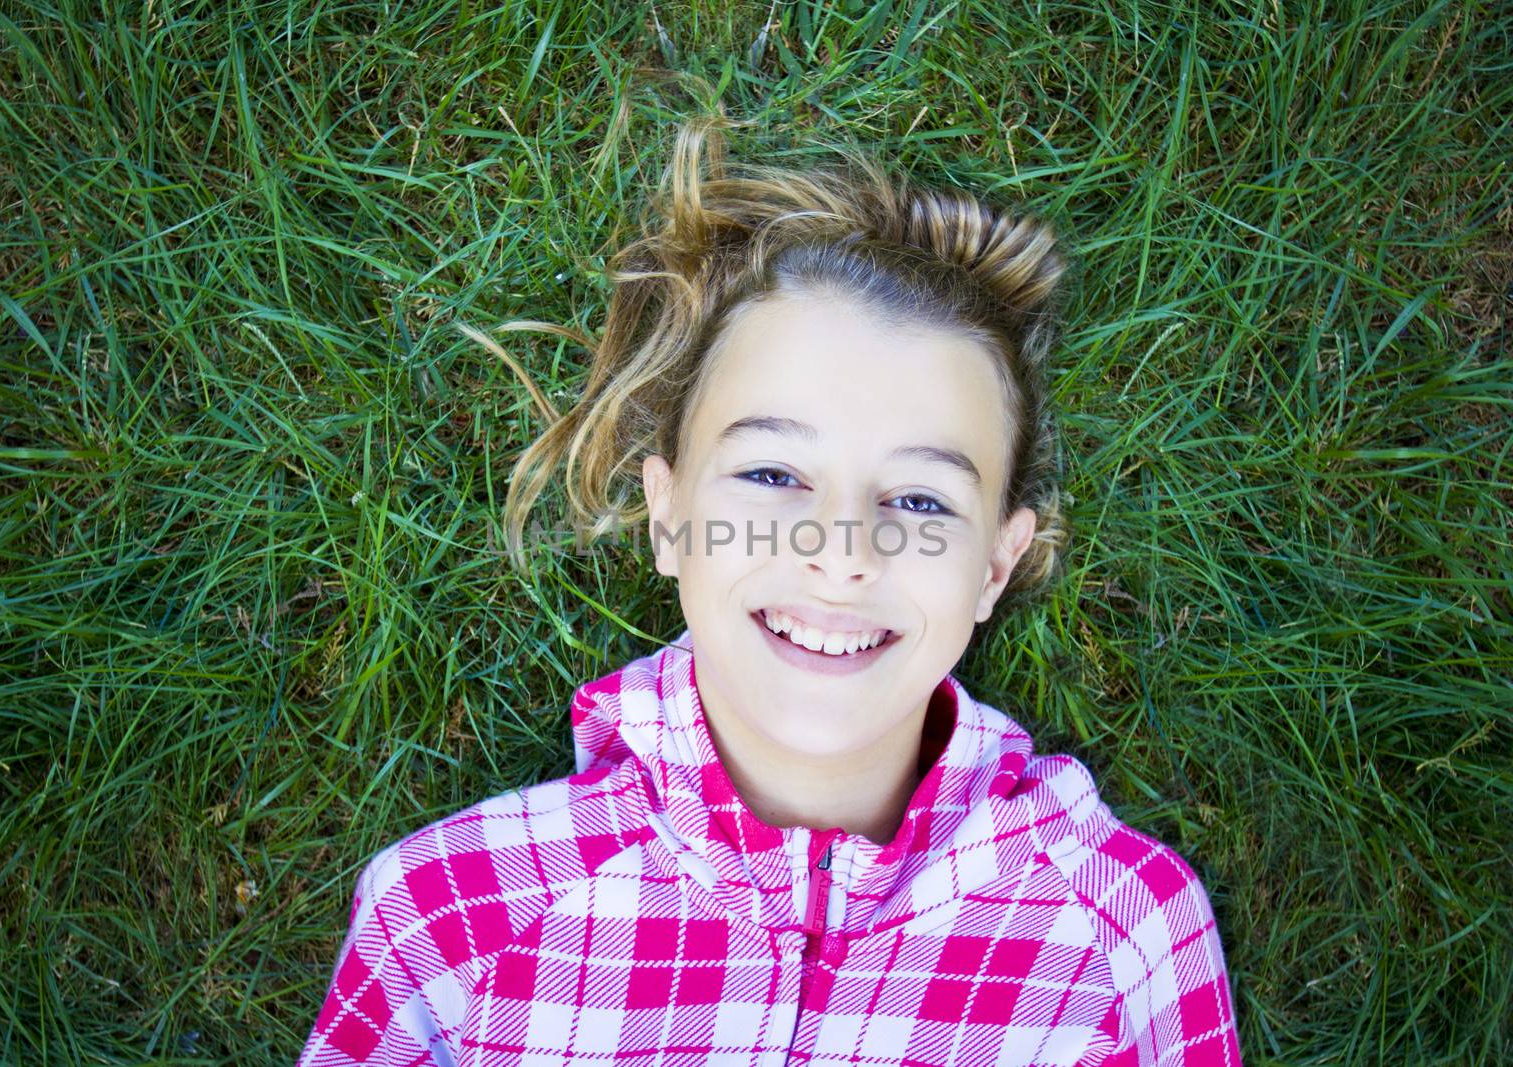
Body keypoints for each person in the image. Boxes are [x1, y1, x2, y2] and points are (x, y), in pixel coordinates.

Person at [296, 110, 1243, 1066]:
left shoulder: (1127, 934)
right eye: (775, 474)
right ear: (669, 518)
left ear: (994, 566)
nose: (842, 552)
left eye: (919, 497)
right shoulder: (452, 914)